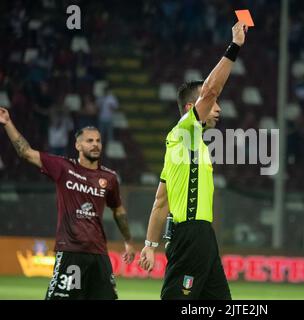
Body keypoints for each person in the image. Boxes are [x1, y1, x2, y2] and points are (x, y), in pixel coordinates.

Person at [139, 21, 247, 300]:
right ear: (191, 108)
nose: (218, 107)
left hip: (202, 237)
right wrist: (234, 46)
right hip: (189, 236)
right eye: (213, 103)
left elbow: (161, 200)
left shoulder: (185, 146)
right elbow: (211, 89)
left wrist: (150, 244)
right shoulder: (184, 130)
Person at [0, 106, 135, 300]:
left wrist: (129, 241)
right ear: (78, 145)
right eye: (90, 141)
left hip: (99, 253)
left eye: (98, 141)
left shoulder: (109, 178)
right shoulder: (64, 167)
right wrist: (7, 123)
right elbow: (26, 153)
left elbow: (119, 211)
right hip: (71, 250)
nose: (95, 144)